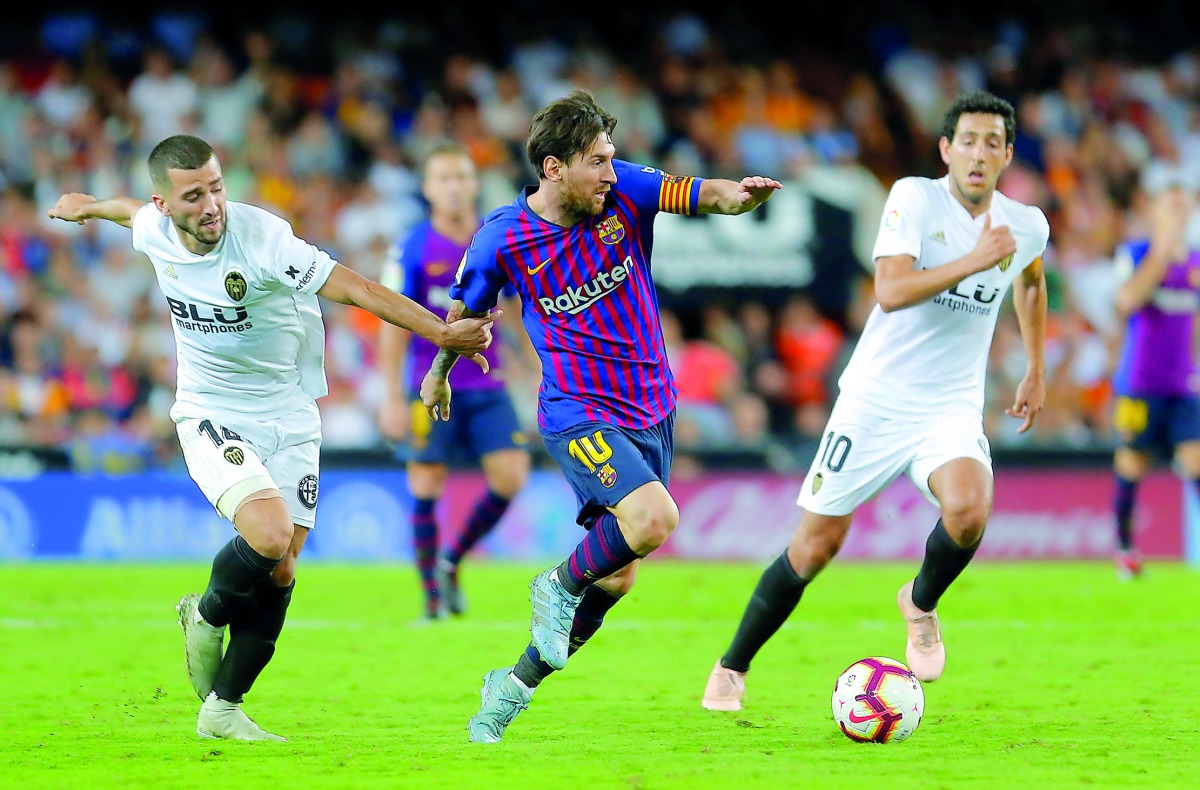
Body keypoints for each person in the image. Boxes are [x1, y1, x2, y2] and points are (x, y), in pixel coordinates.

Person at [47, 134, 496, 741]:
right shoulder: (154, 227)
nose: (211, 205)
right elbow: (131, 211)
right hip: (211, 410)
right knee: (267, 533)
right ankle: (205, 616)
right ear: (167, 203)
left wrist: (443, 332)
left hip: (290, 412)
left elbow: (361, 289)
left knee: (282, 570)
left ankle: (223, 711)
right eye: (193, 196)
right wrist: (91, 205)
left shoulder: (262, 239)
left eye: (217, 187)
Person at [419, 89, 781, 742]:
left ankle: (513, 687)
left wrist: (743, 198)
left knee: (616, 576)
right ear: (554, 167)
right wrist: (437, 375)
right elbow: (464, 317)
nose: (611, 174)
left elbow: (704, 195)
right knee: (654, 519)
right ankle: (555, 586)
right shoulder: (503, 237)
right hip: (576, 412)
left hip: (651, 410)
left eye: (612, 159)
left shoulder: (629, 194)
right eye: (597, 162)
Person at [701, 89, 1049, 711]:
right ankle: (732, 666)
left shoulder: (1026, 224)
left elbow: (1030, 282)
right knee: (814, 548)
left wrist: (1036, 368)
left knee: (969, 511)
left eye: (991, 143)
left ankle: (919, 603)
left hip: (950, 406)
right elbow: (888, 291)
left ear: (1007, 155)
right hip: (875, 400)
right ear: (946, 149)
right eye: (967, 140)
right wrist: (972, 260)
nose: (978, 152)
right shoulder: (914, 197)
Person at [377, 142, 538, 619]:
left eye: (462, 177)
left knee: (511, 476)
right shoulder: (411, 246)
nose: (453, 187)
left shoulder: (495, 239)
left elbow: (511, 309)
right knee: (426, 481)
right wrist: (390, 396)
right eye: (443, 178)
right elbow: (392, 323)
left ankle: (452, 561)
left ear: (474, 185)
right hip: (428, 384)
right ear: (428, 189)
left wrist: (537, 369)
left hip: (488, 384)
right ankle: (431, 599)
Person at [1109, 174, 1200, 580]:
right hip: (1139, 385)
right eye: (1171, 206)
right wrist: (1162, 256)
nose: (1179, 215)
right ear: (1155, 211)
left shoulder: (1197, 262)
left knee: (1196, 460)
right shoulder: (1137, 252)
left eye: (1185, 207)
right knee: (1132, 464)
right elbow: (1126, 301)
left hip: (1183, 385)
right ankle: (1125, 548)